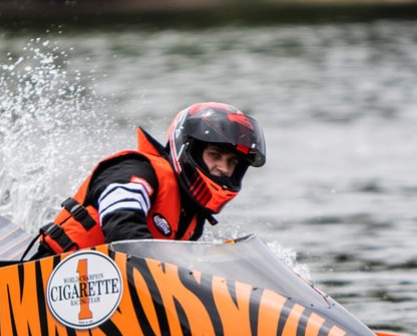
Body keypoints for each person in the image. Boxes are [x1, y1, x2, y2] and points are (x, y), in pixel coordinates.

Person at [35, 102, 267, 257]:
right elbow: (121, 226)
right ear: (189, 151)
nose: (223, 169)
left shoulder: (191, 217)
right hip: (47, 285)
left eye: (232, 162)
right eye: (215, 155)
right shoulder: (137, 171)